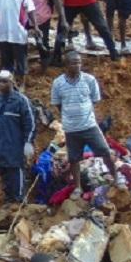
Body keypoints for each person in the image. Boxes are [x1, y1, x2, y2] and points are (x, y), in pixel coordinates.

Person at [51, 51, 117, 199]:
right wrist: (70, 115)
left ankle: (116, 179)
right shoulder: (58, 83)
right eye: (74, 63)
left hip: (89, 126)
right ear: (66, 65)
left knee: (105, 152)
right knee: (74, 159)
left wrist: (84, 112)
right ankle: (77, 187)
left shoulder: (89, 80)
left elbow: (95, 99)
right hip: (71, 128)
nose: (78, 65)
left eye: (79, 62)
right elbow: (58, 104)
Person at [0, 70, 35, 204]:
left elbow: (30, 123)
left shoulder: (21, 101)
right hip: (0, 147)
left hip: (15, 147)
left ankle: (19, 202)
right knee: (4, 174)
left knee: (15, 173)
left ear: (12, 82)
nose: (1, 84)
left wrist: (28, 142)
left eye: (5, 81)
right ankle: (9, 202)